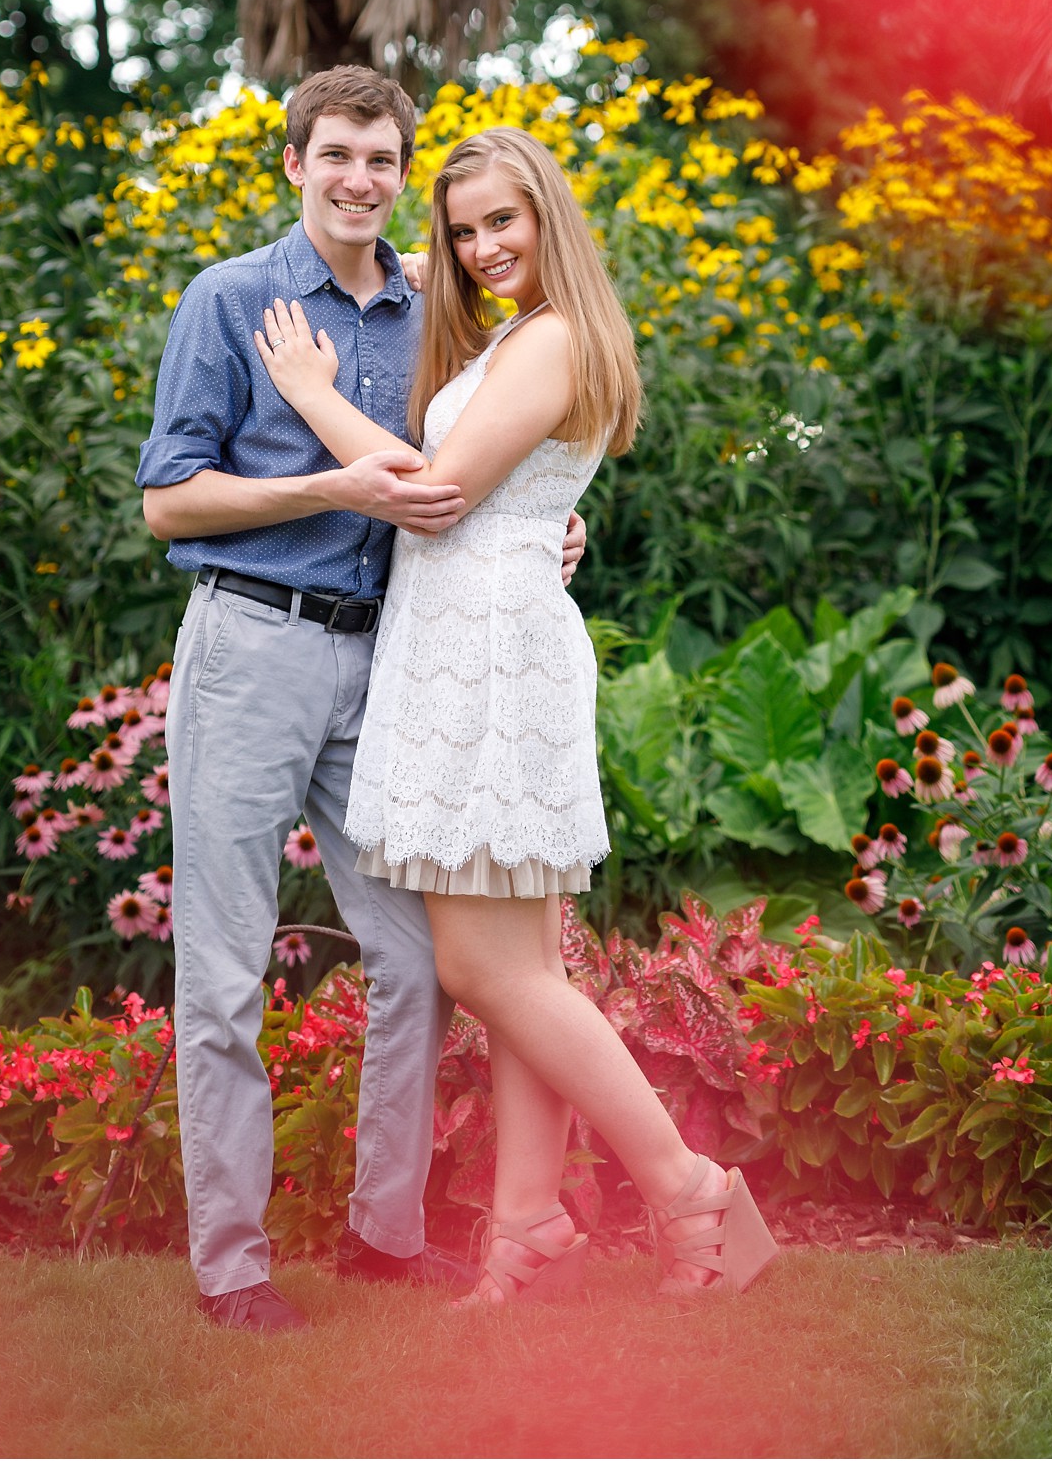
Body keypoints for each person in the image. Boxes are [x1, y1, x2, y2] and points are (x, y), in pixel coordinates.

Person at [252, 125, 779, 1304]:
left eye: (506, 220)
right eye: (464, 227)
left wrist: (311, 394)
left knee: (486, 971)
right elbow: (501, 471)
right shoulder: (522, 333)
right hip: (476, 630)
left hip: (485, 650)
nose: (483, 245)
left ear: (551, 215)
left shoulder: (554, 338)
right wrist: (439, 266)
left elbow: (433, 499)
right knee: (524, 967)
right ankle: (528, 1227)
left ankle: (689, 1186)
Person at [136, 67, 588, 1332]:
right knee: (223, 971)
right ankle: (233, 1268)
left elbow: (475, 457)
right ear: (294, 161)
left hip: (385, 658)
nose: (360, 180)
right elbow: (170, 503)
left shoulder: (428, 305)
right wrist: (325, 490)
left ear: (404, 172)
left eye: (383, 161)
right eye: (337, 154)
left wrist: (552, 522)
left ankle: (383, 1236)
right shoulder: (231, 301)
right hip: (251, 647)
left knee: (419, 960)